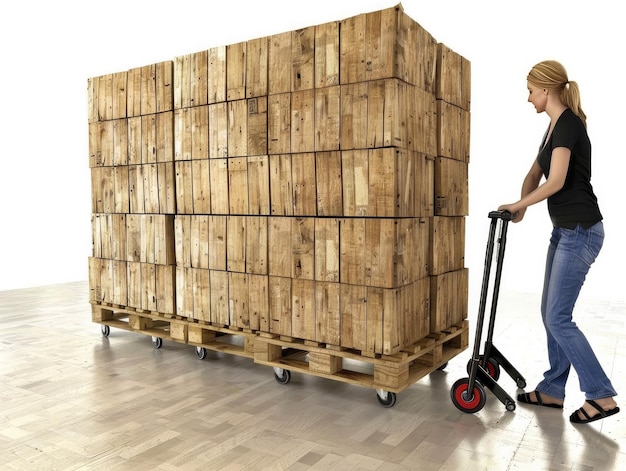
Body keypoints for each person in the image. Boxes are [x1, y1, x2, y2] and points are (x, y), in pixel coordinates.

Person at [498, 60, 619, 424]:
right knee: (549, 315)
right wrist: (520, 208)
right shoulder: (553, 127)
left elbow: (557, 181)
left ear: (546, 90)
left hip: (580, 230)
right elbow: (535, 173)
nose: (528, 97)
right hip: (565, 230)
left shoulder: (568, 125)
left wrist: (519, 205)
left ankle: (602, 396)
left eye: (531, 90)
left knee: (558, 317)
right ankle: (552, 389)